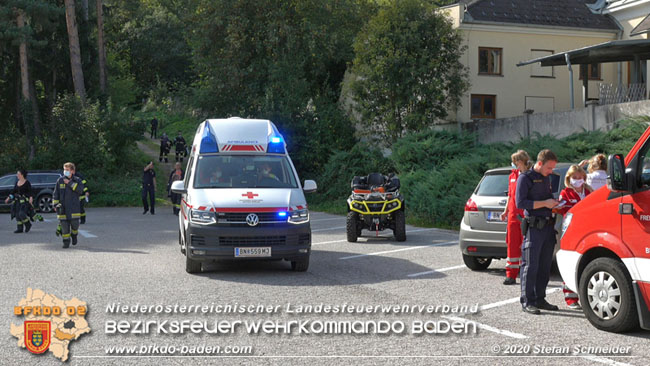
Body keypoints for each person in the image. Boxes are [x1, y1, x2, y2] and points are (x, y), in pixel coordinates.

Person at [516, 149, 560, 315]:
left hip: (548, 227)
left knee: (544, 266)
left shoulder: (546, 177)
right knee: (530, 266)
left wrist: (555, 204)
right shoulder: (525, 178)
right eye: (549, 168)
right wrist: (545, 203)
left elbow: (547, 200)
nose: (551, 171)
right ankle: (527, 301)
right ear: (540, 163)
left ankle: (540, 299)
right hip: (534, 228)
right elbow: (521, 203)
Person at [557, 165, 593, 309]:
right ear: (569, 179)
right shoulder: (565, 192)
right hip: (571, 231)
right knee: (570, 262)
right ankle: (570, 298)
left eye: (580, 177)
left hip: (588, 230)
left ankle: (584, 296)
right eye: (575, 178)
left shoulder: (589, 191)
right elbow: (561, 209)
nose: (578, 180)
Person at [500, 150, 531, 285]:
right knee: (512, 245)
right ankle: (511, 275)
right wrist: (505, 211)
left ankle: (527, 274)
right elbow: (510, 196)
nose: (512, 164)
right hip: (513, 215)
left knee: (526, 246)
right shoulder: (512, 175)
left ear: (520, 161)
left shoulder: (530, 175)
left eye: (514, 161)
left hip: (525, 215)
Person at [53, 163, 85, 248]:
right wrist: (55, 204)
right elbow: (56, 194)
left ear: (72, 171)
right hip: (62, 208)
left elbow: (80, 190)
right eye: (64, 169)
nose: (65, 172)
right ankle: (66, 242)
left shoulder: (77, 180)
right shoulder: (60, 181)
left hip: (74, 208)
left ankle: (74, 235)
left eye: (67, 170)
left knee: (75, 225)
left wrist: (70, 183)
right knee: (64, 227)